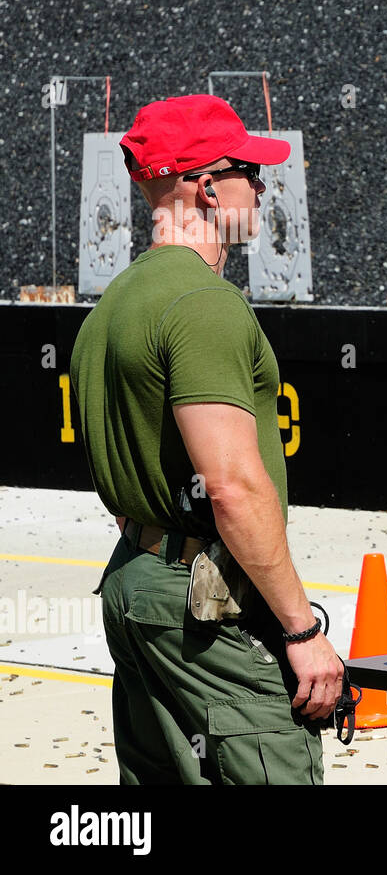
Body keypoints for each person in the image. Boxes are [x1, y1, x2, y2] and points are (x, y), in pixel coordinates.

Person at [70, 94, 342, 784]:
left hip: (135, 578)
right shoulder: (203, 303)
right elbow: (231, 485)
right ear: (207, 186)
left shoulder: (114, 303)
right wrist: (302, 632)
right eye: (249, 169)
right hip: (200, 600)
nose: (261, 185)